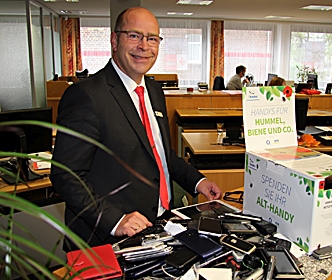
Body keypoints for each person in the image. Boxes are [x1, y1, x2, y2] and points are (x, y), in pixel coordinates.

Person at [50, 7, 221, 251]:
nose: (144, 46)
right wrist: (114, 220)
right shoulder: (86, 96)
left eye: (152, 38)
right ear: (114, 40)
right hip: (106, 239)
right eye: (134, 35)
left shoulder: (154, 90)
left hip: (155, 227)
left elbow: (160, 154)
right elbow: (66, 175)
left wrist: (198, 181)